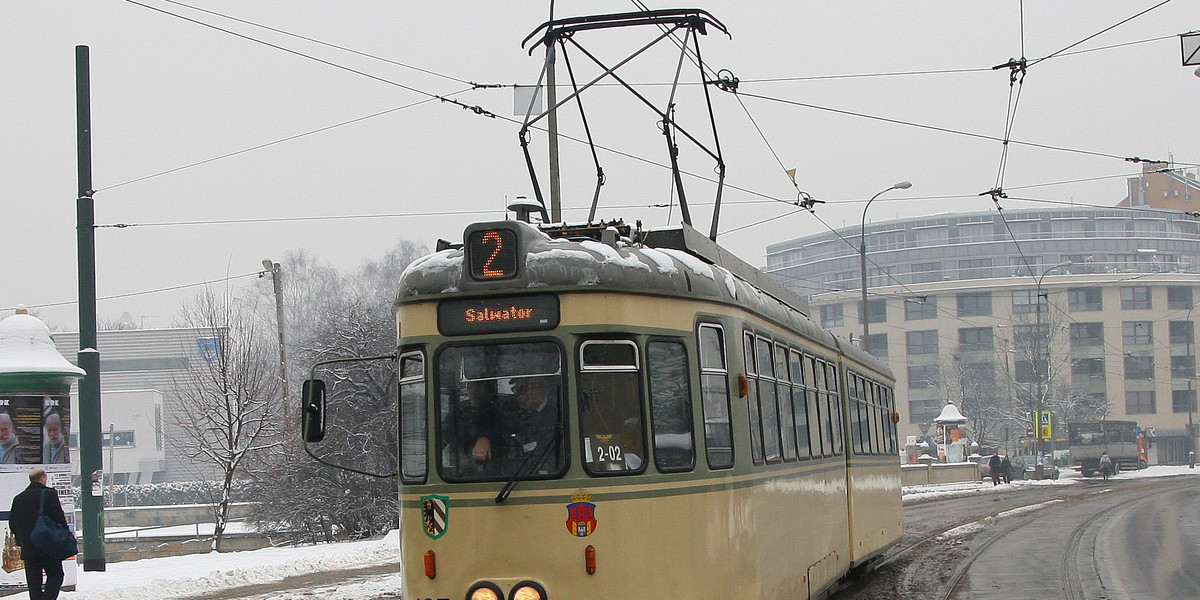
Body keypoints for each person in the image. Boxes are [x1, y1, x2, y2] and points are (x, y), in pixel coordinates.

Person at [8, 468, 67, 600]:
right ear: (43, 478)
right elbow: (58, 518)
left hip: (28, 547)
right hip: (48, 547)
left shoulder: (18, 498)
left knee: (34, 582)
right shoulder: (49, 494)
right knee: (56, 575)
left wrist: (22, 541)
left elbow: (12, 523)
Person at [472, 375, 559, 461]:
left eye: (522, 389)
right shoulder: (508, 408)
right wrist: (484, 438)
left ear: (542, 387)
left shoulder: (559, 410)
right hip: (515, 468)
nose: (519, 395)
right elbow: (491, 424)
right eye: (517, 389)